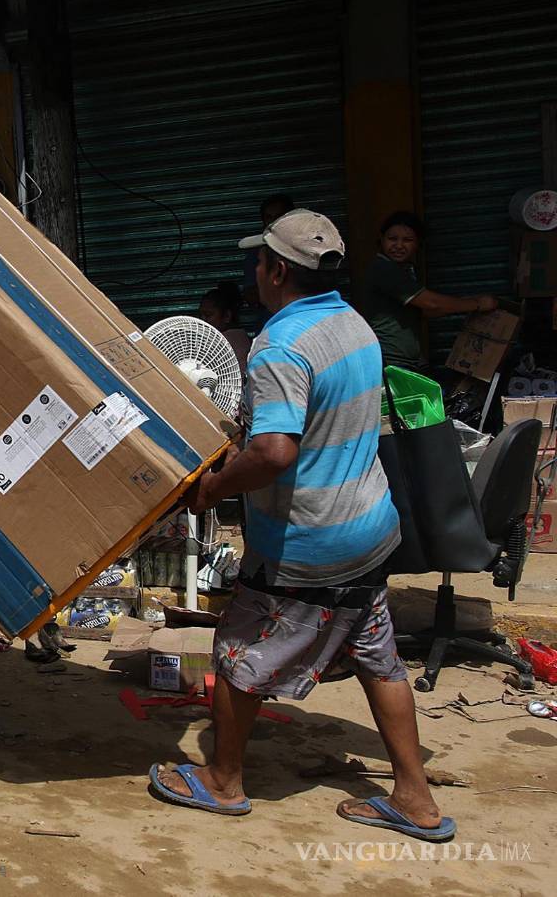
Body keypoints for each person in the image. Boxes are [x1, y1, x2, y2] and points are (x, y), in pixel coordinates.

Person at [150, 209, 453, 843]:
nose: (255, 271)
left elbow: (276, 451)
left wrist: (213, 488)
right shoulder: (355, 324)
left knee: (239, 655)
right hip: (369, 528)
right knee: (378, 658)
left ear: (278, 272)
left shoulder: (280, 346)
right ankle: (415, 798)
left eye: (260, 261)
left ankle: (223, 782)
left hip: (308, 543)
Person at [359, 211, 498, 372]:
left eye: (407, 240)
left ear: (418, 243)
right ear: (382, 239)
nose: (399, 245)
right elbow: (431, 303)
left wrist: (468, 303)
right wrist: (477, 304)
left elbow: (425, 311)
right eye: (392, 239)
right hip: (391, 361)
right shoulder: (383, 269)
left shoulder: (405, 270)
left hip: (408, 360)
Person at [241, 194, 295, 328]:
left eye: (278, 217)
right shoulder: (256, 253)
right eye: (268, 217)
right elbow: (250, 295)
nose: (273, 222)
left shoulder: (303, 250)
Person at [198, 282, 252, 371]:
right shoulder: (241, 336)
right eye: (200, 315)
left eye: (208, 315)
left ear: (227, 316)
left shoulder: (225, 340)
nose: (203, 320)